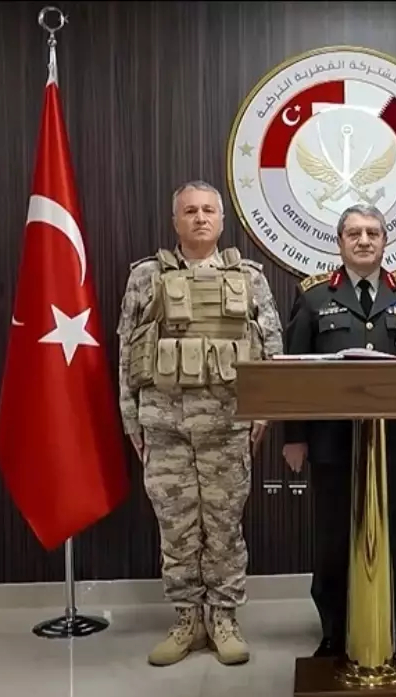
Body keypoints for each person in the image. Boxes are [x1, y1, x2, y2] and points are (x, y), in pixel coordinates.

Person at [116, 180, 284, 667]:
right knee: (176, 528)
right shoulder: (146, 277)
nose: (200, 218)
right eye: (190, 211)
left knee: (225, 527)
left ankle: (223, 618)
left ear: (222, 220)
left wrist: (262, 414)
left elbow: (271, 350)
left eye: (209, 210)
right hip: (164, 427)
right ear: (176, 221)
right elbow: (127, 351)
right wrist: (132, 420)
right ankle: (187, 618)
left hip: (228, 426)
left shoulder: (249, 277)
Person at [280, 203, 396, 659]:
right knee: (333, 537)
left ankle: (386, 630)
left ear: (386, 240)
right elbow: (293, 374)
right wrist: (295, 436)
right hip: (331, 441)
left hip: (393, 443)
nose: (364, 240)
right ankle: (333, 630)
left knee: (391, 537)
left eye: (373, 232)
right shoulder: (313, 296)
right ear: (340, 242)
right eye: (354, 233)